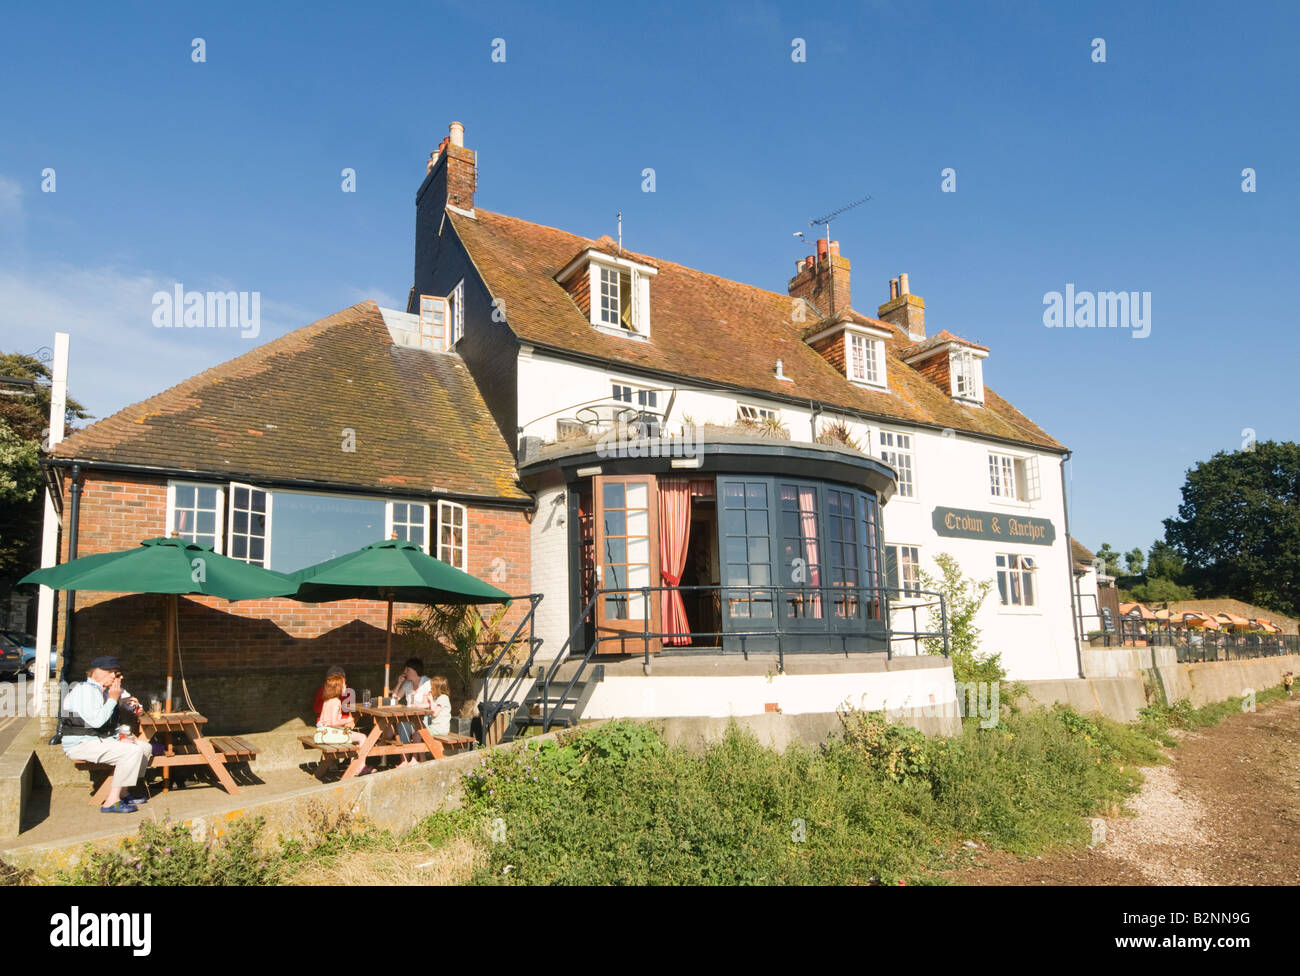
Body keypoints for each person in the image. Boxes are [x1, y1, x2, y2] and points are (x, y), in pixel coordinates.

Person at [61, 655, 154, 813]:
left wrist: (135, 707)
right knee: (132, 751)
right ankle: (111, 801)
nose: (118, 677)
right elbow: (97, 722)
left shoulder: (111, 690)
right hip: (81, 744)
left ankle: (123, 792)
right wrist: (113, 699)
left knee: (145, 748)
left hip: (101, 740)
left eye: (118, 673)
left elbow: (134, 707)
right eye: (113, 673)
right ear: (96, 672)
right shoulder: (84, 691)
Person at [392, 658, 432, 766]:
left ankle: (413, 759)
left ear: (415, 670)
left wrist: (416, 706)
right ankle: (404, 760)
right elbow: (394, 700)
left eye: (407, 670)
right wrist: (399, 683)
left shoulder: (426, 683)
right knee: (400, 724)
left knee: (415, 729)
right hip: (411, 718)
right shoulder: (407, 684)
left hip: (425, 719)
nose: (405, 672)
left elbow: (430, 704)